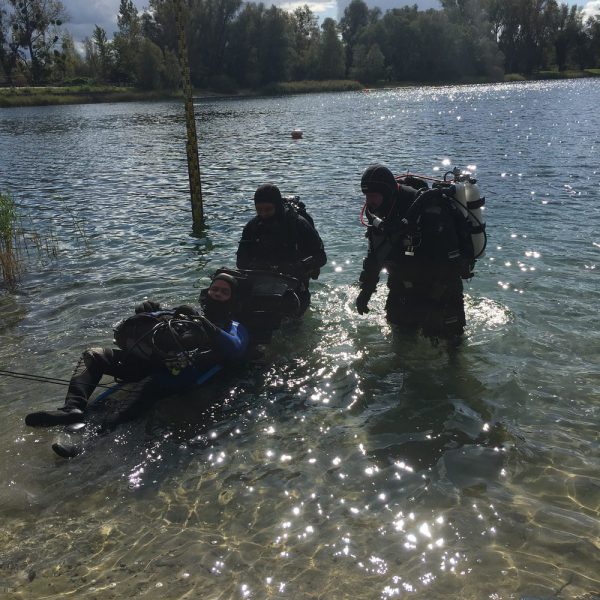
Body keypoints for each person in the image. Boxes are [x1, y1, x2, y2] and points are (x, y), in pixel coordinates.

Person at [25, 273, 249, 427]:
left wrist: (205, 324)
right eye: (214, 289)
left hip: (173, 375)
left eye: (224, 292)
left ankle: (91, 443)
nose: (217, 293)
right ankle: (72, 409)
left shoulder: (236, 327)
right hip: (147, 361)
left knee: (136, 398)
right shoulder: (187, 313)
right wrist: (148, 311)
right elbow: (160, 325)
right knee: (93, 355)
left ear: (232, 300)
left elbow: (236, 347)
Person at [355, 164, 471, 343]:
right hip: (403, 286)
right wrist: (366, 290)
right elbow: (375, 254)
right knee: (400, 343)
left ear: (387, 193)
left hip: (442, 291)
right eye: (366, 195)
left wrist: (433, 305)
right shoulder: (380, 215)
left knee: (450, 346)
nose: (368, 201)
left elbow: (451, 267)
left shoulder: (429, 212)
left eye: (373, 196)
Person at [236, 183, 327, 314]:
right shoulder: (253, 226)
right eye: (259, 210)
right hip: (262, 281)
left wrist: (299, 266)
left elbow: (321, 257)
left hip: (294, 282)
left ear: (277, 206)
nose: (263, 214)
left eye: (268, 209)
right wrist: (259, 266)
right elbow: (241, 261)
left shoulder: (298, 224)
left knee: (292, 319)